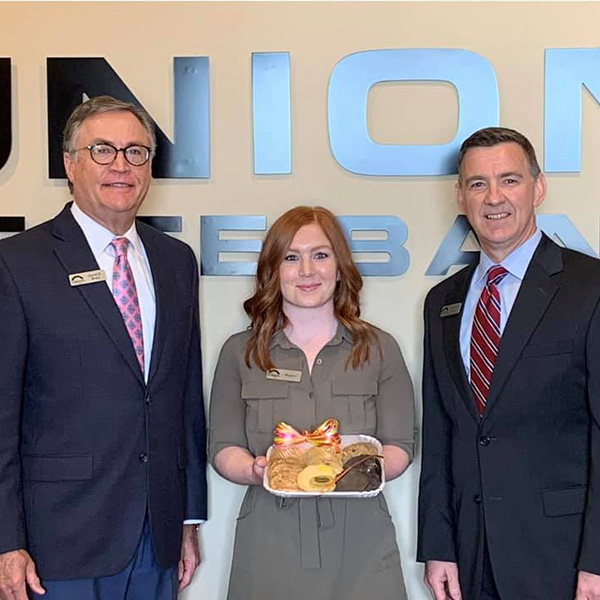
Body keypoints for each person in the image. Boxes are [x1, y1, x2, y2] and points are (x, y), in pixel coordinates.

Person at [0, 95, 207, 600]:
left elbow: (182, 397)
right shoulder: (17, 262)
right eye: (102, 150)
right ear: (70, 164)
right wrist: (6, 541)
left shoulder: (175, 261)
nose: (121, 165)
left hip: (154, 537)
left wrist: (186, 517)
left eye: (136, 152)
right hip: (56, 542)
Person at [418, 127, 600, 600]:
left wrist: (598, 562)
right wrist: (439, 546)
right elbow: (441, 434)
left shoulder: (590, 288)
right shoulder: (443, 301)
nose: (493, 197)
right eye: (478, 183)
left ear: (538, 188)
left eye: (509, 180)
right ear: (460, 196)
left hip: (563, 559)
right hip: (470, 556)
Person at [208, 205, 415, 600]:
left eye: (320, 255)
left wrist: (343, 473)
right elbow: (222, 448)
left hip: (362, 542)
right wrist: (257, 470)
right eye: (291, 257)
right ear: (273, 270)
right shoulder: (240, 353)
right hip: (269, 540)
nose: (307, 271)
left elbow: (400, 446)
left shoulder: (379, 348)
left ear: (340, 267)